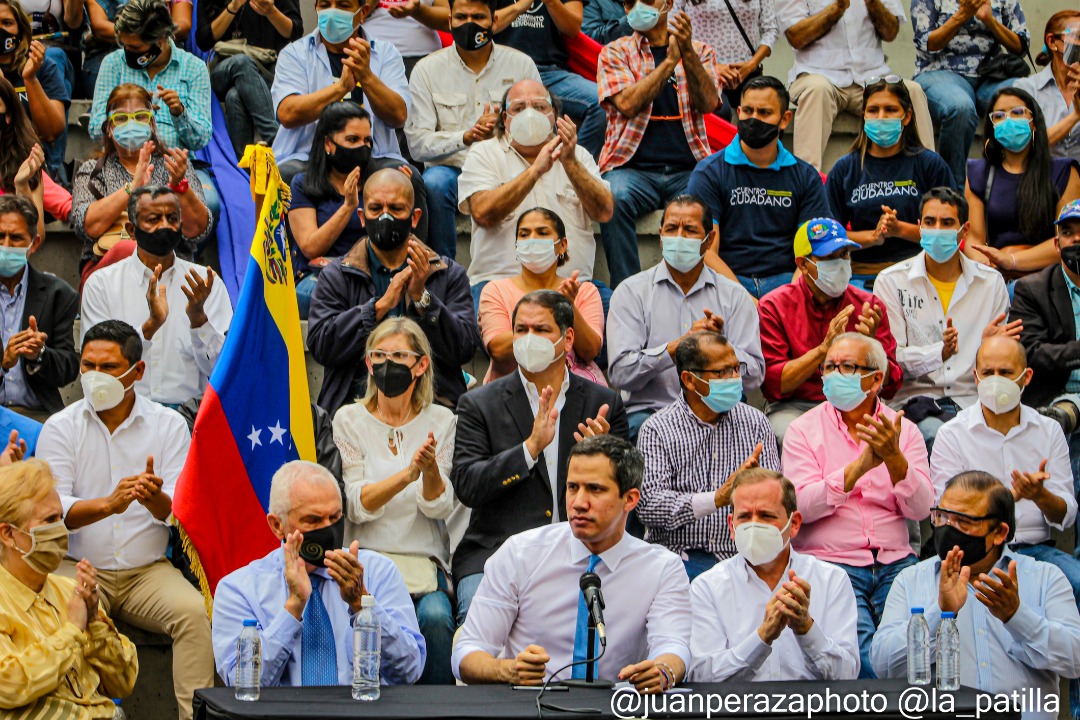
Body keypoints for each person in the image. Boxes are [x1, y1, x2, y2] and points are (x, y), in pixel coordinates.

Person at [35, 319, 214, 720]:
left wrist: (154, 501)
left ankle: (195, 716)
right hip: (75, 568)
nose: (95, 376)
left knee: (194, 613)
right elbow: (51, 510)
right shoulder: (60, 427)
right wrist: (108, 505)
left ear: (138, 372)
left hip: (145, 572)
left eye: (108, 367)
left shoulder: (168, 426)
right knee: (61, 618)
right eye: (88, 366)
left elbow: (179, 513)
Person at [452, 435, 691, 690]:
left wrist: (662, 671)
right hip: (534, 709)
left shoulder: (662, 568)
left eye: (595, 489)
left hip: (615, 707)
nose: (578, 503)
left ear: (630, 499)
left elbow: (673, 646)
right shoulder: (520, 554)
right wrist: (508, 670)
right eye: (572, 487)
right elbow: (466, 652)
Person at [451, 290, 627, 623]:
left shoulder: (603, 404)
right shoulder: (479, 404)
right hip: (496, 552)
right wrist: (528, 450)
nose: (528, 338)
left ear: (568, 337)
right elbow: (467, 485)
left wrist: (604, 461)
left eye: (541, 330)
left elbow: (627, 493)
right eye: (521, 330)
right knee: (478, 629)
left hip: (583, 553)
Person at [782, 332, 934, 679]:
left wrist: (895, 459)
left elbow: (922, 510)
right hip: (832, 563)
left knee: (915, 656)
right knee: (865, 665)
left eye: (847, 367)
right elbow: (800, 506)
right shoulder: (802, 430)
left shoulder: (905, 431)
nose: (834, 375)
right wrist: (857, 470)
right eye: (829, 367)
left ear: (876, 379)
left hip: (896, 561)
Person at [871, 471, 1080, 720]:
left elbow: (1074, 660)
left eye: (963, 521)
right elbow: (883, 666)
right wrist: (939, 611)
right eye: (942, 517)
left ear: (1000, 532)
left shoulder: (1045, 577)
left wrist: (1017, 617)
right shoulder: (910, 580)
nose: (948, 528)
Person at [213, 460, 426, 687]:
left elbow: (409, 671)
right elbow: (242, 685)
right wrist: (294, 606)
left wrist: (361, 604)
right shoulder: (239, 589)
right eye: (313, 520)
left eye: (335, 518)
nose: (328, 529)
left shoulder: (377, 571)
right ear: (277, 525)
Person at [333, 318, 457, 685]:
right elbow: (356, 502)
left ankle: (437, 710)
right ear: (369, 364)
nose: (388, 364)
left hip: (421, 563)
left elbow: (438, 506)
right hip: (367, 561)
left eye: (399, 355)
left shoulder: (442, 420)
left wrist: (431, 469)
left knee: (436, 617)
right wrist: (408, 474)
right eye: (379, 355)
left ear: (420, 365)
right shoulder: (348, 419)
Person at [307, 169, 479, 418]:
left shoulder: (446, 273)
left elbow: (463, 348)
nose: (385, 216)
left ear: (415, 216)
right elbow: (322, 346)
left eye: (396, 208)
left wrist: (423, 299)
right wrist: (377, 308)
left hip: (432, 409)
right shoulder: (337, 275)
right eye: (376, 208)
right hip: (354, 410)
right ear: (362, 217)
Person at [607, 194, 764, 441]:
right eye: (671, 229)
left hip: (720, 413)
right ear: (660, 236)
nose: (678, 237)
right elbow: (620, 374)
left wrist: (721, 349)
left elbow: (755, 376)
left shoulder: (734, 296)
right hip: (651, 414)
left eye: (689, 230)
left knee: (753, 430)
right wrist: (676, 349)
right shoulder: (630, 292)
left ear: (709, 240)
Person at [874, 187, 1014, 448]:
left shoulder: (991, 283)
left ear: (965, 229)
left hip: (974, 402)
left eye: (947, 223)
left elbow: (1000, 364)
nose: (937, 229)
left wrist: (987, 348)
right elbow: (892, 360)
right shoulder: (892, 281)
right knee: (938, 438)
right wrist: (940, 353)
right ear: (919, 226)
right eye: (930, 222)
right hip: (915, 402)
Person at [688, 468, 859, 681]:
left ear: (794, 523)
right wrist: (762, 637)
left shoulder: (831, 580)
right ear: (732, 526)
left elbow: (847, 675)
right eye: (744, 516)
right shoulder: (708, 587)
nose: (754, 524)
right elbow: (702, 678)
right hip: (740, 711)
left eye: (766, 515)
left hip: (811, 711)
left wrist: (806, 628)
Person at [595, 0, 722, 288]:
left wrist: (686, 54)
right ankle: (626, 292)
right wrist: (668, 63)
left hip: (688, 170)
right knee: (612, 197)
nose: (637, 7)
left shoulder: (701, 51)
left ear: (668, 3)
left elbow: (710, 103)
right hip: (631, 169)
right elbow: (627, 103)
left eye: (648, 0)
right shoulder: (614, 51)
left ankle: (703, 288)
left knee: (712, 200)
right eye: (629, 2)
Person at [0, 459, 139, 718]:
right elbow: (9, 686)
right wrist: (73, 630)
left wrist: (95, 621)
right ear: (8, 534)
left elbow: (123, 681)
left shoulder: (69, 590)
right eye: (48, 520)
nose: (59, 530)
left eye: (60, 518)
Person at [458, 78, 612, 310]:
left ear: (554, 115)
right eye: (519, 109)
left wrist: (570, 164)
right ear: (505, 119)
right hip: (500, 285)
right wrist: (535, 171)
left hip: (572, 286)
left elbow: (604, 211)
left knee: (614, 314)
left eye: (540, 107)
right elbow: (483, 213)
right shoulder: (484, 154)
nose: (529, 115)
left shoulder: (578, 155)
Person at [637, 331, 780, 581]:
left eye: (736, 369)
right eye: (723, 372)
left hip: (742, 559)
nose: (734, 378)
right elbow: (649, 505)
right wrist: (716, 499)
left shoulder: (756, 423)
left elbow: (777, 496)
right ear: (690, 380)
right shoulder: (657, 429)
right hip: (677, 559)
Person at [404, 0, 540, 260]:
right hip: (453, 170)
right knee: (434, 183)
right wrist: (466, 137)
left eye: (478, 17)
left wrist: (505, 130)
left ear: (495, 22)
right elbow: (417, 144)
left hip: (507, 166)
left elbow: (541, 131)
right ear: (449, 22)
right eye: (462, 16)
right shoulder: (426, 70)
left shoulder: (522, 66)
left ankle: (521, 265)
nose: (469, 24)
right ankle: (444, 272)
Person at [81, 186, 231, 407]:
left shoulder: (206, 284)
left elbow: (224, 370)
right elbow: (98, 371)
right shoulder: (102, 284)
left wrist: (199, 320)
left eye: (172, 218)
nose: (165, 226)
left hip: (187, 419)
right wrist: (149, 327)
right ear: (132, 230)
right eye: (153, 219)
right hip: (122, 412)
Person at [758, 217, 902, 444]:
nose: (841, 263)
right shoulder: (774, 306)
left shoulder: (869, 306)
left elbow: (892, 386)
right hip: (796, 407)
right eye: (829, 258)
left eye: (844, 255)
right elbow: (774, 385)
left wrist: (871, 350)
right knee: (786, 434)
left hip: (857, 404)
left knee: (890, 436)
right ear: (803, 264)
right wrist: (824, 349)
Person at [687, 75, 830, 299]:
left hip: (786, 281)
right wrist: (744, 300)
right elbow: (706, 251)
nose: (753, 119)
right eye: (748, 111)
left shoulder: (805, 177)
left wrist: (789, 298)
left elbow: (813, 250)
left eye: (764, 113)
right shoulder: (710, 172)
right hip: (727, 281)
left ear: (784, 119)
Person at [72, 84, 212, 288]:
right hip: (108, 276)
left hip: (170, 273)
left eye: (140, 117)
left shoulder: (175, 165)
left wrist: (179, 187)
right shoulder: (93, 170)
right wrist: (132, 187)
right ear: (109, 129)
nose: (131, 124)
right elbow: (86, 226)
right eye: (121, 118)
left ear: (152, 125)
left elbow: (198, 230)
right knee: (127, 250)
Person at [775, 0, 933, 172]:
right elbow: (796, 37)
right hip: (817, 73)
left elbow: (891, 32)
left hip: (871, 76)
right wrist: (838, 7)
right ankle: (807, 184)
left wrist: (873, 3)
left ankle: (930, 177)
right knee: (816, 89)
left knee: (912, 91)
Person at [825, 79, 955, 287]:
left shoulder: (930, 164)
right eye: (873, 110)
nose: (881, 117)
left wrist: (899, 229)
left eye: (891, 110)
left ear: (907, 117)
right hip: (861, 278)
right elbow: (829, 236)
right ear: (864, 116)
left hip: (920, 276)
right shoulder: (844, 168)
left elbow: (950, 233)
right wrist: (873, 237)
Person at [270, 0, 409, 183]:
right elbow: (287, 114)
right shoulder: (294, 54)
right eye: (325, 5)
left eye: (343, 5)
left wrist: (367, 77)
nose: (332, 12)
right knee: (286, 176)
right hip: (308, 157)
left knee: (406, 179)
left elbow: (398, 116)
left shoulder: (385, 54)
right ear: (316, 9)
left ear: (363, 12)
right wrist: (340, 88)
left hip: (374, 157)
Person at [479, 208, 604, 385]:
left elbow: (590, 350)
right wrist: (550, 320)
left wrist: (568, 305)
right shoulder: (496, 290)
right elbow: (498, 350)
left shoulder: (583, 291)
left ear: (562, 245)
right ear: (516, 245)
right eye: (524, 234)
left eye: (542, 233)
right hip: (510, 396)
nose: (532, 239)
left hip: (573, 394)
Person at [965, 88, 1080, 278]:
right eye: (999, 116)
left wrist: (1011, 259)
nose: (1008, 120)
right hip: (995, 276)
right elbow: (974, 238)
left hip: (1048, 279)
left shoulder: (1064, 171)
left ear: (1034, 122)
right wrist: (988, 264)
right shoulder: (979, 173)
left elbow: (1069, 240)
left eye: (1017, 112)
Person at [911, 0, 1030, 184]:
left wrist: (990, 21)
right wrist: (962, 15)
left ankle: (1014, 181)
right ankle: (952, 191)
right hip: (939, 72)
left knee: (1025, 97)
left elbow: (1020, 46)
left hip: (991, 75)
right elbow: (926, 42)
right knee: (961, 107)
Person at [87, 0, 213, 153]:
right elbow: (95, 131)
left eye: (135, 47)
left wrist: (179, 113)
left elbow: (201, 139)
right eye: (124, 45)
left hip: (175, 164)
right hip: (122, 163)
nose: (128, 52)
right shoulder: (113, 63)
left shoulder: (194, 67)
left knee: (201, 178)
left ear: (160, 41)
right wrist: (126, 113)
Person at [1011, 200, 1080, 468]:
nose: (1076, 239)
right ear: (1056, 243)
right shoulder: (1032, 290)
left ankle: (1070, 410)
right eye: (1068, 232)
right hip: (1051, 395)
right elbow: (1032, 354)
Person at [288, 103, 373, 318]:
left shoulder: (376, 184)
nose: (362, 147)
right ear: (328, 143)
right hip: (316, 276)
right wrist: (348, 207)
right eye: (353, 140)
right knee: (340, 294)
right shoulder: (303, 185)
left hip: (367, 274)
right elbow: (310, 247)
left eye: (367, 141)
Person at [491, 0, 605, 159]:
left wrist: (552, 2)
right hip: (504, 70)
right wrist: (520, 5)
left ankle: (575, 168)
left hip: (550, 71)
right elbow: (483, 23)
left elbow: (572, 28)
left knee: (601, 102)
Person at [194, 0, 304, 160]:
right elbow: (203, 40)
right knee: (242, 62)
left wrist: (271, 11)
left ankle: (245, 170)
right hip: (224, 68)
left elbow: (295, 32)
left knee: (235, 96)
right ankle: (276, 140)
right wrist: (233, 7)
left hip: (267, 68)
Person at [0, 195, 77, 421]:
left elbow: (69, 368)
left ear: (33, 244)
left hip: (38, 415)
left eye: (15, 238)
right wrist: (3, 364)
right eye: (0, 236)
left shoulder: (58, 294)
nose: (5, 245)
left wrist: (38, 355)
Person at [0, 0, 68, 184]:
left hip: (35, 162)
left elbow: (51, 131)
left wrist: (30, 79)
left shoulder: (41, 65)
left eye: (7, 23)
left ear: (21, 29)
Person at [671, 0, 776, 118]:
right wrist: (711, 66)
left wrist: (751, 65)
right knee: (719, 113)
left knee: (768, 111)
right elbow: (671, 29)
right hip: (704, 70)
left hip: (747, 71)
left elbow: (770, 30)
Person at [83, 0, 194, 95]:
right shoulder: (111, 62)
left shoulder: (195, 66)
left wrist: (152, 34)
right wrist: (136, 35)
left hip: (160, 46)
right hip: (106, 51)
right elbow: (99, 27)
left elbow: (183, 24)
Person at [1015, 11, 1080, 163]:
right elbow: (1023, 145)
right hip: (1041, 181)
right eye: (1078, 37)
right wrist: (1075, 115)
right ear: (1052, 42)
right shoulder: (1027, 89)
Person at [363, 0, 447, 79]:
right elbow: (352, 12)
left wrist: (418, 11)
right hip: (369, 57)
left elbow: (452, 19)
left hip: (423, 60)